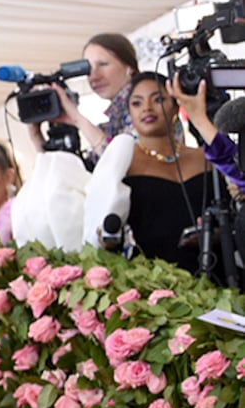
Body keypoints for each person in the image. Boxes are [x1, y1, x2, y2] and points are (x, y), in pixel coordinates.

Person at [86, 72, 216, 272]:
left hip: (217, 269)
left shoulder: (206, 157)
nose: (147, 108)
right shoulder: (122, 163)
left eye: (158, 99)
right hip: (155, 281)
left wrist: (213, 234)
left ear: (175, 105)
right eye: (137, 103)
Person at [28, 32, 139, 158]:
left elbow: (119, 162)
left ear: (129, 67)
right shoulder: (112, 122)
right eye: (88, 69)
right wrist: (36, 135)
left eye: (103, 64)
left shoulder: (146, 106)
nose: (94, 76)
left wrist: (77, 118)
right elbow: (83, 174)